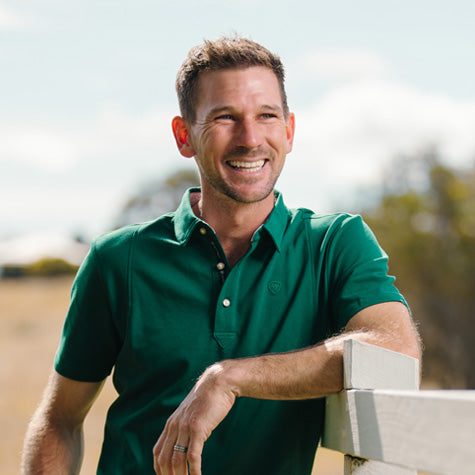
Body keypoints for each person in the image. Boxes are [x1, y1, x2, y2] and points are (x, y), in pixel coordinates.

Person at [22, 36, 421, 475]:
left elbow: (396, 349)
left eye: (266, 115)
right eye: (225, 117)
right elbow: (59, 419)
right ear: (185, 136)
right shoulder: (118, 259)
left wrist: (228, 378)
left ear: (289, 130)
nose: (250, 139)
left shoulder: (334, 243)